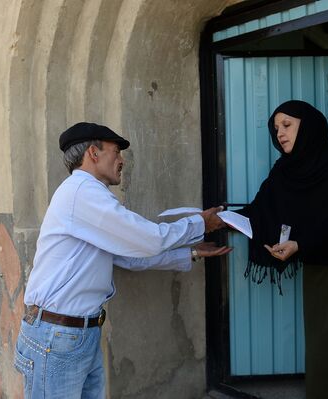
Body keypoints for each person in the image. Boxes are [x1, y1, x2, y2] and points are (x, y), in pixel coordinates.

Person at [13, 122, 231, 399]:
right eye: (116, 152)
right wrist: (200, 223)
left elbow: (130, 257)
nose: (121, 160)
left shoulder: (88, 195)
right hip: (57, 337)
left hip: (76, 334)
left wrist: (192, 252)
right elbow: (148, 238)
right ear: (93, 153)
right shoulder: (83, 193)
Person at [236, 100, 328, 398]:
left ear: (306, 125)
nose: (279, 133)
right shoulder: (285, 168)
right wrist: (223, 220)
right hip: (316, 264)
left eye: (287, 125)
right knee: (321, 343)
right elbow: (263, 207)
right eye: (276, 127)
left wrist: (300, 243)